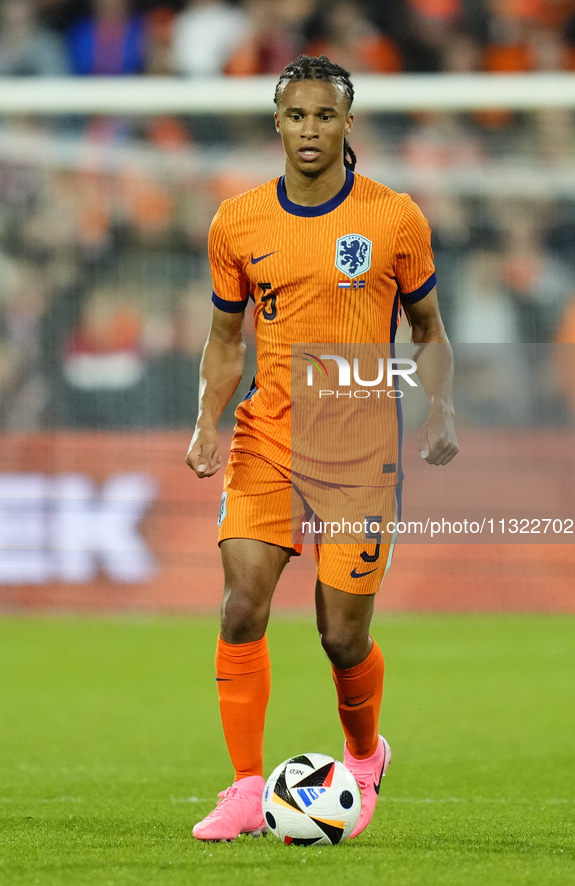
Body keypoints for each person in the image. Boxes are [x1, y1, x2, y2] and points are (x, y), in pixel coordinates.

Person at [185, 54, 459, 843]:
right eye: (296, 116)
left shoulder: (393, 217)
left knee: (340, 634)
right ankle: (243, 786)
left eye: (325, 116)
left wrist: (440, 408)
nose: (310, 130)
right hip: (266, 438)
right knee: (241, 607)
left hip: (358, 454)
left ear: (348, 123)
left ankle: (365, 755)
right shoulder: (236, 221)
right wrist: (207, 419)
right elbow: (223, 338)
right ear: (277, 124)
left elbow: (427, 328)